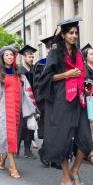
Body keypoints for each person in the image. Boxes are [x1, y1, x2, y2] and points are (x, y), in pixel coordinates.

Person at [38, 17, 93, 185]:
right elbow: (46, 78)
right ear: (63, 35)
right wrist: (67, 74)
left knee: (85, 139)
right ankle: (65, 178)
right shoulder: (55, 53)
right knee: (62, 139)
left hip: (78, 99)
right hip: (61, 100)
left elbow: (83, 74)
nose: (74, 36)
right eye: (71, 33)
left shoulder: (78, 54)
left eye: (76, 33)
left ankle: (74, 171)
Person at [0, 46, 37, 178]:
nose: (10, 57)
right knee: (7, 136)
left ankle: (3, 158)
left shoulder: (20, 76)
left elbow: (27, 94)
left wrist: (31, 113)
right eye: (7, 55)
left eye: (11, 55)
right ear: (2, 58)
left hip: (17, 112)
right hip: (2, 112)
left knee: (13, 138)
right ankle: (12, 166)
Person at [33, 35, 60, 168]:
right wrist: (39, 103)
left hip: (59, 100)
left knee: (58, 129)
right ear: (47, 48)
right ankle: (47, 153)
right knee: (50, 129)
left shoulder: (60, 61)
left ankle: (52, 155)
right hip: (45, 101)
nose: (54, 49)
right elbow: (37, 85)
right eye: (52, 47)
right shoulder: (41, 63)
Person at [17, 44, 38, 159]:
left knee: (30, 126)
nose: (31, 59)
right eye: (29, 57)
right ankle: (16, 148)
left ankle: (27, 149)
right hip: (22, 102)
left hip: (33, 101)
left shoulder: (34, 70)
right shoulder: (20, 71)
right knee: (21, 125)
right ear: (24, 57)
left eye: (32, 57)